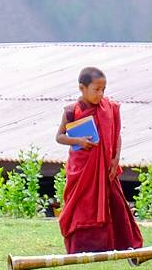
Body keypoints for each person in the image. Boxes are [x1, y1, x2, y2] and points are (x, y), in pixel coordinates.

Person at [55, 67, 144, 254]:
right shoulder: (72, 111)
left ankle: (119, 244)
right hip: (82, 169)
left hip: (106, 168)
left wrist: (115, 159)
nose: (100, 94)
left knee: (114, 203)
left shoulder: (109, 108)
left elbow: (116, 135)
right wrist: (77, 141)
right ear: (82, 88)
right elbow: (60, 137)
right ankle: (81, 247)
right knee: (82, 207)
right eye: (96, 89)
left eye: (103, 89)